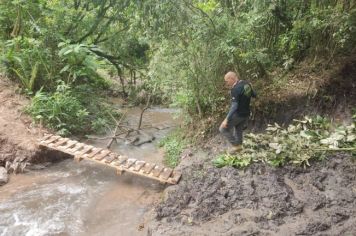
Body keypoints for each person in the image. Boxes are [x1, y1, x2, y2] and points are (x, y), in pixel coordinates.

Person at [219, 71, 256, 154]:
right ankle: (240, 148)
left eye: (227, 81)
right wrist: (251, 88)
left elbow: (234, 106)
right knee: (238, 130)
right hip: (246, 114)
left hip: (238, 114)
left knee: (222, 129)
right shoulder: (246, 84)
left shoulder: (235, 89)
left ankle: (236, 146)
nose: (227, 83)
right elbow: (254, 95)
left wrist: (226, 119)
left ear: (231, 78)